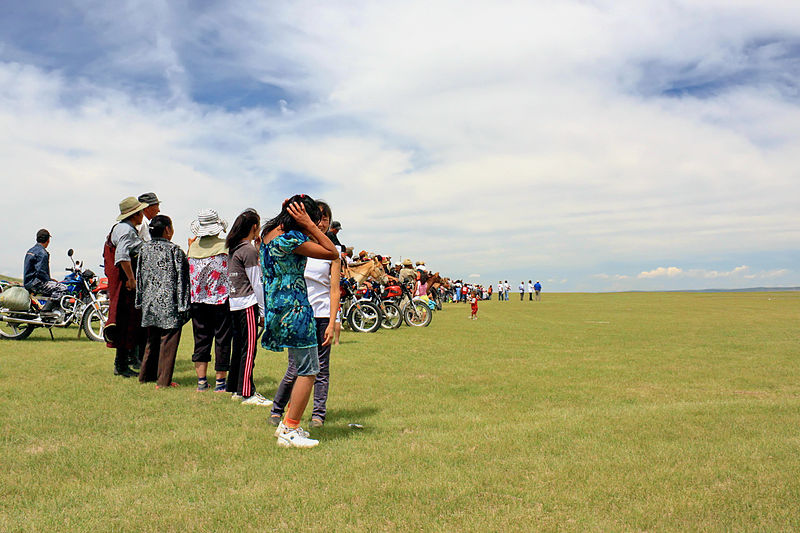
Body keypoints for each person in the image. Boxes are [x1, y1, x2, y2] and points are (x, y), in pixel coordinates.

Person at [261, 194, 338, 448]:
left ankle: (286, 424)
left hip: (277, 306)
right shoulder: (291, 239)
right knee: (309, 370)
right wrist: (310, 225)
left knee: (301, 367)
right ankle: (290, 428)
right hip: (294, 308)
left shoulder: (269, 233)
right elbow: (332, 252)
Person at [136, 215, 190, 389]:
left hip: (150, 303)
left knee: (152, 341)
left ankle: (145, 376)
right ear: (167, 229)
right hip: (169, 304)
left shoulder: (144, 249)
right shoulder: (174, 250)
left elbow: (139, 277)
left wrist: (140, 301)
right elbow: (182, 280)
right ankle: (163, 381)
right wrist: (183, 305)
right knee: (168, 342)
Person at [225, 209, 271, 406]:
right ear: (254, 227)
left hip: (234, 304)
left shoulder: (235, 248)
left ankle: (236, 387)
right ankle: (247, 392)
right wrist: (263, 311)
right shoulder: (249, 250)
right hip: (247, 304)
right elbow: (257, 283)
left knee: (239, 347)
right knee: (249, 348)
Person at [187, 209, 232, 392]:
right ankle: (220, 383)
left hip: (198, 300)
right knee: (222, 339)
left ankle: (202, 381)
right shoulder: (225, 246)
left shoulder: (192, 248)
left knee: (201, 339)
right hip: (221, 299)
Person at [104, 196, 148, 377]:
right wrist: (131, 278)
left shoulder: (120, 228)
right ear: (135, 214)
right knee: (124, 321)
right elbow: (122, 256)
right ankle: (121, 365)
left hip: (121, 281)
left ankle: (122, 363)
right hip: (124, 282)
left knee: (125, 321)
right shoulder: (127, 231)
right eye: (141, 212)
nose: (143, 216)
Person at [23, 229, 68, 315]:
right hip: (36, 284)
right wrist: (49, 280)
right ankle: (46, 310)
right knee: (62, 288)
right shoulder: (42, 253)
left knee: (55, 285)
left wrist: (50, 279)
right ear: (48, 240)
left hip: (28, 282)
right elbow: (41, 272)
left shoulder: (30, 251)